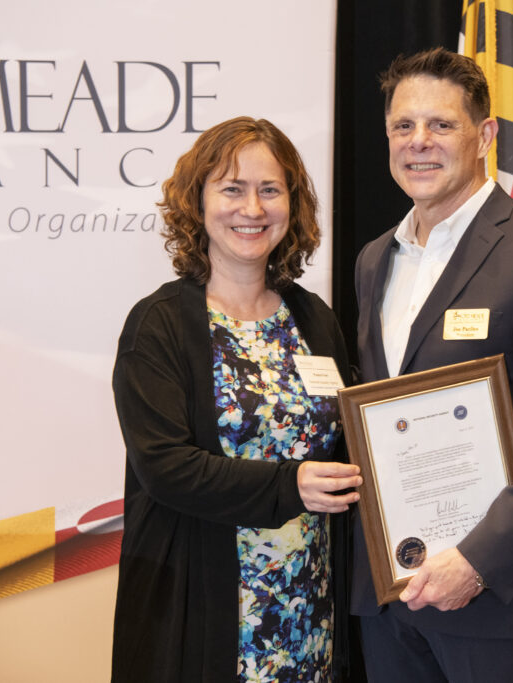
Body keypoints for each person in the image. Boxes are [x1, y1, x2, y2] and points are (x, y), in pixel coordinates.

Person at [351, 48, 513, 681]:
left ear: (485, 136)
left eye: (441, 124)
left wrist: (477, 561)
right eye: (403, 125)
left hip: (495, 603)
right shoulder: (373, 259)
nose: (419, 141)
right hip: (390, 599)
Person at [111, 116, 362, 682]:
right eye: (232, 188)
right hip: (207, 615)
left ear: (292, 205)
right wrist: (290, 485)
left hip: (308, 613)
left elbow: (348, 436)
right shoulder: (158, 325)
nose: (252, 208)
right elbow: (165, 467)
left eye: (270, 189)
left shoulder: (314, 319)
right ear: (197, 202)